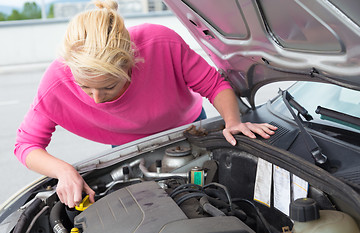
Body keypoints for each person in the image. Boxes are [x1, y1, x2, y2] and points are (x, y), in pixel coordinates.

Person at [14, 0, 277, 208]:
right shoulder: (55, 84)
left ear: (130, 61)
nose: (96, 99)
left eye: (108, 87)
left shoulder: (160, 43)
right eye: (84, 87)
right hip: (130, 148)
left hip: (192, 130)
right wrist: (64, 171)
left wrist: (232, 122)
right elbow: (26, 144)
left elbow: (214, 85)